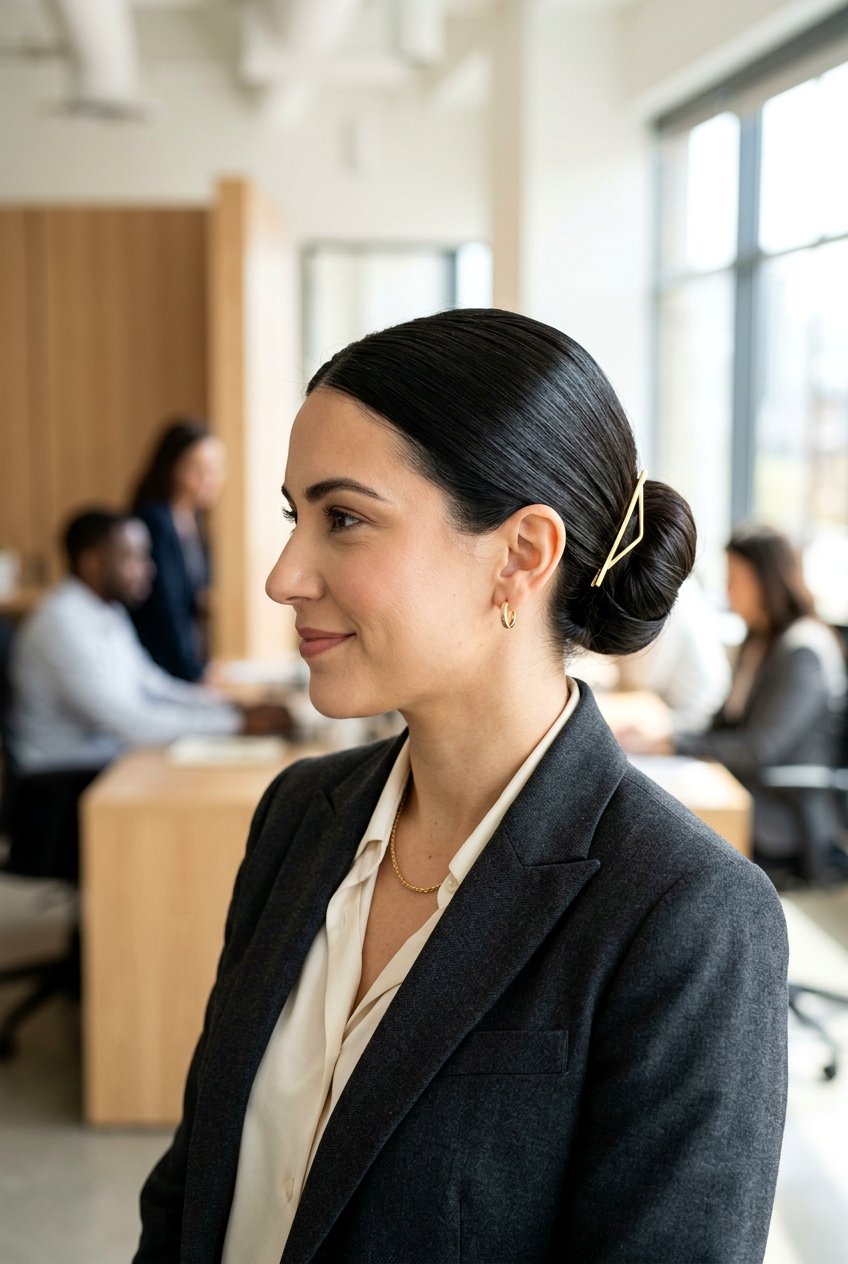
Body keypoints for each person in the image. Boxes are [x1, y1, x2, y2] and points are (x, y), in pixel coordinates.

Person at [135, 310, 787, 1264]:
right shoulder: (300, 814)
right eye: (293, 517)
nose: (283, 577)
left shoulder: (685, 916)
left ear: (521, 555)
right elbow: (195, 1187)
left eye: (343, 519)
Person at [9, 508, 290, 776]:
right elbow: (130, 723)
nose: (149, 569)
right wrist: (235, 724)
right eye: (133, 558)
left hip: (108, 759)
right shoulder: (62, 623)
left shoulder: (107, 610)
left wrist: (227, 706)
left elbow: (153, 686)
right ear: (92, 563)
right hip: (63, 778)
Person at [669, 525, 846, 881]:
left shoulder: (802, 650)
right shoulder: (758, 640)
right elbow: (724, 721)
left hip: (778, 809)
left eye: (735, 579)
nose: (727, 590)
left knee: (673, 836)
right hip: (746, 787)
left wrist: (678, 744)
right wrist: (669, 734)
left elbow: (760, 748)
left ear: (766, 580)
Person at [130, 418, 226, 681]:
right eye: (199, 469)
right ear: (172, 468)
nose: (210, 479)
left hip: (182, 661)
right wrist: (195, 673)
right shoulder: (156, 521)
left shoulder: (194, 521)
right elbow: (167, 610)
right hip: (157, 663)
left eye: (216, 469)